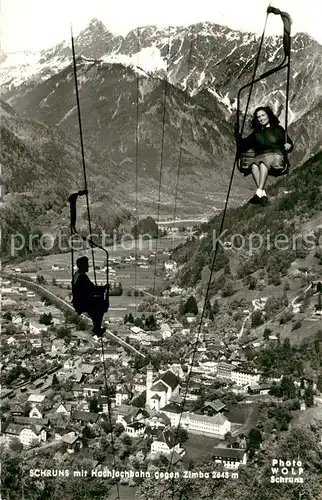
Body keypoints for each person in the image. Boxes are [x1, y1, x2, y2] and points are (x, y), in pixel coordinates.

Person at [236, 106, 293, 205]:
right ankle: (262, 194)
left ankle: (259, 192)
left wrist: (289, 145)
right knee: (254, 165)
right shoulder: (257, 133)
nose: (261, 118)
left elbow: (289, 143)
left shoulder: (278, 129)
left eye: (263, 115)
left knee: (263, 162)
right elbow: (243, 146)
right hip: (261, 157)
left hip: (277, 157)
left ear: (268, 116)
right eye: (258, 117)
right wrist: (236, 134)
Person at [72, 256, 108, 336]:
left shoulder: (77, 275)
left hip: (79, 300)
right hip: (82, 302)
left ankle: (97, 327)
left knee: (97, 305)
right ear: (82, 265)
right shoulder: (82, 277)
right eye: (86, 264)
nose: (88, 266)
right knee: (100, 306)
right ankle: (97, 328)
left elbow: (90, 289)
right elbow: (92, 289)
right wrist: (103, 288)